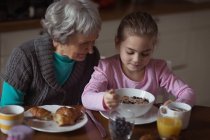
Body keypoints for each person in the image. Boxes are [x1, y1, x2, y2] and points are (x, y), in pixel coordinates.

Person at [82, 11, 196, 111]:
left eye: (145, 54)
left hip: (149, 126)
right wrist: (104, 99)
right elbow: (86, 97)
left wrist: (178, 105)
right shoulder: (106, 68)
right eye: (130, 52)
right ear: (117, 42)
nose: (137, 60)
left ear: (154, 47)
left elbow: (187, 92)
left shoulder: (159, 69)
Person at [0, 0, 101, 106]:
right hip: (26, 122)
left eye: (93, 41)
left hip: (72, 121)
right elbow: (9, 109)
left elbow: (89, 100)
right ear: (60, 38)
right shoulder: (24, 57)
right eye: (83, 43)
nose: (90, 50)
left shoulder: (92, 57)